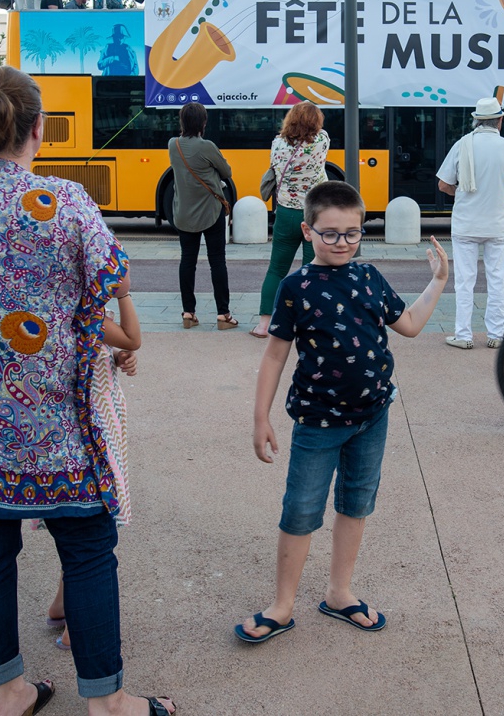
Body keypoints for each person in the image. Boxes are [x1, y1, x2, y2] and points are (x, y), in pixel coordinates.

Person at [0, 66, 175, 716]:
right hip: (49, 420)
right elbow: (111, 280)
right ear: (38, 128)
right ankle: (107, 701)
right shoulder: (65, 200)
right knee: (88, 546)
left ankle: (7, 693)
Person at [237, 181, 449, 644]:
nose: (342, 243)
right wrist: (260, 417)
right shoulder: (296, 288)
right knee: (301, 511)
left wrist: (436, 282)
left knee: (356, 504)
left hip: (373, 417)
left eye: (352, 233)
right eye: (330, 233)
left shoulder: (369, 277)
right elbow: (275, 356)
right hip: (317, 422)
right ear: (307, 231)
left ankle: (339, 592)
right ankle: (282, 605)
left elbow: (410, 325)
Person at [47, 273, 143, 651]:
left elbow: (105, 350)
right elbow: (133, 337)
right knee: (93, 529)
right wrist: (125, 294)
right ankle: (78, 622)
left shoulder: (66, 306)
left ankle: (61, 605)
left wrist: (114, 357)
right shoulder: (85, 311)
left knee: (76, 523)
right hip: (93, 432)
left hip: (82, 426)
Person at [436, 97, 504, 349]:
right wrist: (503, 195)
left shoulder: (461, 145)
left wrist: (462, 193)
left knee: (464, 282)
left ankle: (463, 335)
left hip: (465, 225)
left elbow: (443, 184)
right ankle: (496, 335)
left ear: (476, 121)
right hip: (498, 225)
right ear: (499, 121)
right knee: (498, 280)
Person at [249, 101, 330, 338]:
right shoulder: (322, 140)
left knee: (276, 269)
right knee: (311, 270)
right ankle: (306, 323)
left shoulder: (277, 143)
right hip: (313, 214)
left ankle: (264, 324)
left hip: (285, 213)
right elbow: (320, 136)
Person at [168, 101, 237, 330]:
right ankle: (223, 315)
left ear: (182, 121)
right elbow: (226, 171)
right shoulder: (207, 146)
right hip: (210, 211)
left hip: (184, 214)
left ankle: (188, 313)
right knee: (217, 261)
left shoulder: (173, 145)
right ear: (203, 123)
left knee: (187, 260)